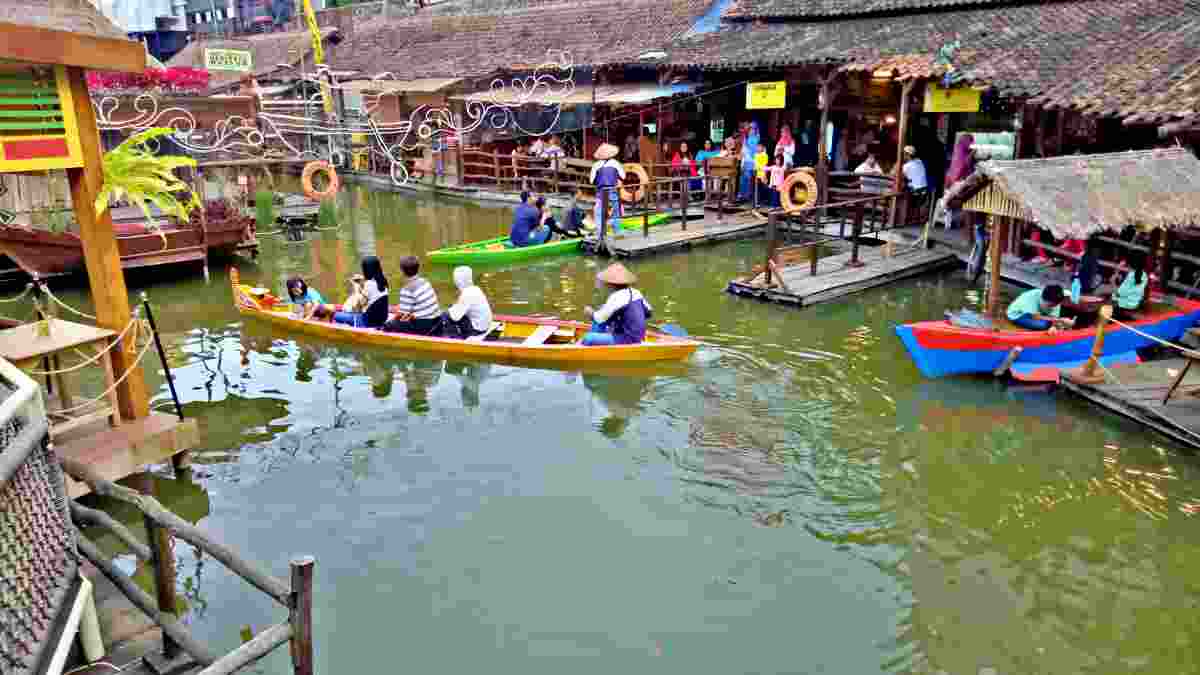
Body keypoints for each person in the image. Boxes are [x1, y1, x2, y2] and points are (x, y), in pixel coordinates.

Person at [581, 262, 653, 346]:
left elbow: (598, 319)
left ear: (611, 284)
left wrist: (590, 312)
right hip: (638, 336)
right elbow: (649, 313)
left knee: (589, 337)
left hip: (627, 339)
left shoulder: (616, 296)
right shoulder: (636, 292)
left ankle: (586, 347)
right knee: (600, 322)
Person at [384, 255, 442, 335]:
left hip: (425, 326)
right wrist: (394, 309)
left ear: (402, 271)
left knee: (389, 325)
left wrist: (391, 319)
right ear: (418, 269)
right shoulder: (425, 281)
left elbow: (402, 314)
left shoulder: (407, 289)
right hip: (437, 321)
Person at [334, 256, 389, 328]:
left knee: (336, 315)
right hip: (381, 319)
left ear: (366, 270)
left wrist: (356, 287)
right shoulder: (383, 281)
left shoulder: (369, 285)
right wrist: (362, 281)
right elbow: (371, 292)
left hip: (367, 322)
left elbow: (357, 307)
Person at [443, 266, 493, 338]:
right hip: (485, 326)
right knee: (452, 310)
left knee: (446, 317)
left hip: (477, 330)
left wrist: (444, 314)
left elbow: (455, 317)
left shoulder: (467, 293)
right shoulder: (475, 288)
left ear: (459, 280)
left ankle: (455, 339)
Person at [591, 142, 625, 233]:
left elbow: (592, 181)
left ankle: (600, 232)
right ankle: (617, 231)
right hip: (612, 190)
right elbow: (623, 176)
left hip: (601, 191)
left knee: (599, 212)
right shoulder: (616, 163)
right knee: (616, 210)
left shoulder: (595, 165)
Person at [943, 134, 975, 230]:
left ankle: (952, 222)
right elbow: (963, 165)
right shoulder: (961, 151)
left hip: (955, 181)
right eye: (970, 141)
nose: (971, 143)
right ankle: (956, 222)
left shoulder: (960, 149)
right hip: (958, 181)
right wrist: (972, 153)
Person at [1007, 285, 1071, 331]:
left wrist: (1055, 325)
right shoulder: (1032, 298)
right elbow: (1035, 317)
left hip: (1037, 313)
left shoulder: (1056, 299)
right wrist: (1060, 320)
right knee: (1043, 325)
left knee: (1054, 323)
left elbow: (1054, 316)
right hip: (1019, 314)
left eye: (1055, 305)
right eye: (1050, 305)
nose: (1053, 307)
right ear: (1044, 299)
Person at [1113, 257, 1149, 321]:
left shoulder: (1131, 275)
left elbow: (1118, 294)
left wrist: (1115, 275)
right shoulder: (1144, 275)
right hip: (1135, 306)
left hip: (1123, 308)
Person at [738, 121, 760, 201]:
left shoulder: (757, 138)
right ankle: (741, 195)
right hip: (745, 161)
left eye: (753, 128)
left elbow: (755, 151)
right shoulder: (746, 138)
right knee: (743, 179)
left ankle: (747, 196)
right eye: (750, 129)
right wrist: (742, 162)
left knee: (749, 179)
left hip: (752, 162)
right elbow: (743, 151)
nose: (751, 130)